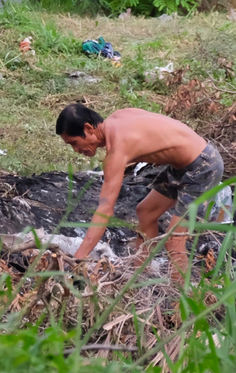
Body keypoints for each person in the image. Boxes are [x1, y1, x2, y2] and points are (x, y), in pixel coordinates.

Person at [56, 103, 225, 286]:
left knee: (174, 241)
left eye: (74, 142)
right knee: (145, 212)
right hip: (181, 165)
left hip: (203, 166)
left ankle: (182, 303)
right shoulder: (118, 116)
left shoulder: (118, 149)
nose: (75, 150)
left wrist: (79, 258)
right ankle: (139, 277)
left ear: (88, 128)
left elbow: (104, 210)